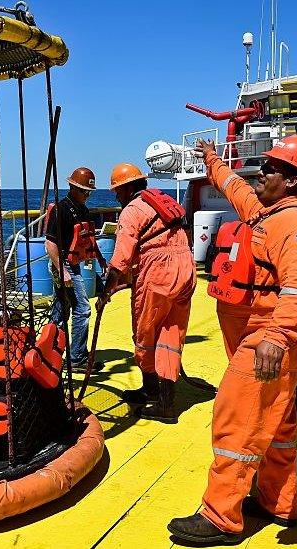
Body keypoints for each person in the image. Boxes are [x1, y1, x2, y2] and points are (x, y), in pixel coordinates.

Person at [168, 135, 297, 544]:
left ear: (291, 181)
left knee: (236, 419)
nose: (262, 171)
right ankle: (278, 502)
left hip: (267, 338)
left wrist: (278, 335)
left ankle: (220, 516)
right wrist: (212, 161)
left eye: (271, 168)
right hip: (256, 333)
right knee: (278, 424)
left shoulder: (295, 224)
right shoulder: (266, 213)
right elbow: (235, 187)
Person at [96, 163, 196, 423]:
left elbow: (121, 259)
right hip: (186, 267)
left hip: (158, 272)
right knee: (171, 332)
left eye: (118, 191)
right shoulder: (163, 202)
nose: (117, 197)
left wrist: (106, 291)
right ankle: (162, 396)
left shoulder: (132, 210)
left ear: (129, 188)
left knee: (146, 332)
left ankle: (157, 395)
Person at [45, 166, 107, 371]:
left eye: (89, 192)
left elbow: (88, 239)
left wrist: (101, 260)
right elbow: (50, 244)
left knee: (61, 310)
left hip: (75, 265)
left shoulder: (83, 209)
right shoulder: (61, 209)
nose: (86, 195)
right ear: (72, 187)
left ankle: (51, 352)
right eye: (83, 191)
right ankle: (77, 358)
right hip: (63, 265)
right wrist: (61, 271)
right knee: (83, 308)